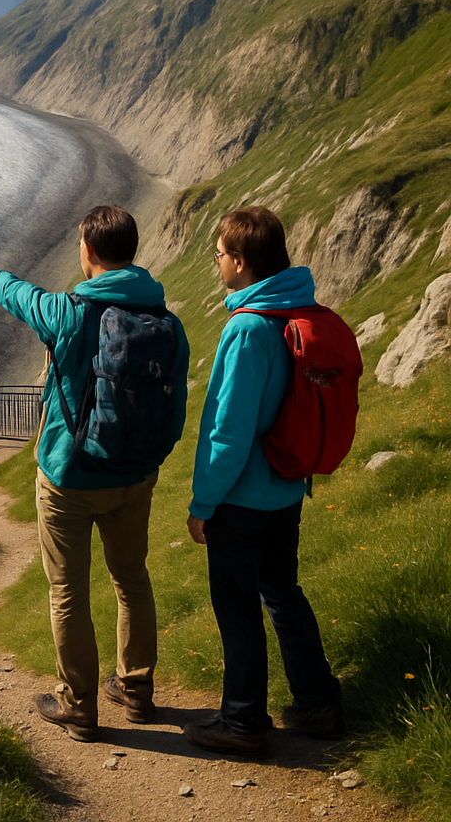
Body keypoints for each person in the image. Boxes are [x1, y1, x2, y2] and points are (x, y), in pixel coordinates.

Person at [0, 205, 189, 742]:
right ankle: (135, 690)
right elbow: (174, 402)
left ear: (87, 250)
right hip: (134, 476)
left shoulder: (70, 313)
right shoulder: (166, 320)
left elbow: (23, 297)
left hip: (68, 478)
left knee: (68, 590)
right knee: (132, 580)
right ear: (131, 251)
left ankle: (78, 704)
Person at [184, 206, 343, 758]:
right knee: (282, 591)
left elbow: (228, 431)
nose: (217, 262)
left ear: (241, 262)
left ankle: (243, 721)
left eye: (221, 254)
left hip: (242, 499)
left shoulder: (248, 328)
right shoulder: (300, 312)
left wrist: (204, 504)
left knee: (237, 606)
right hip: (287, 488)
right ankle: (318, 701)